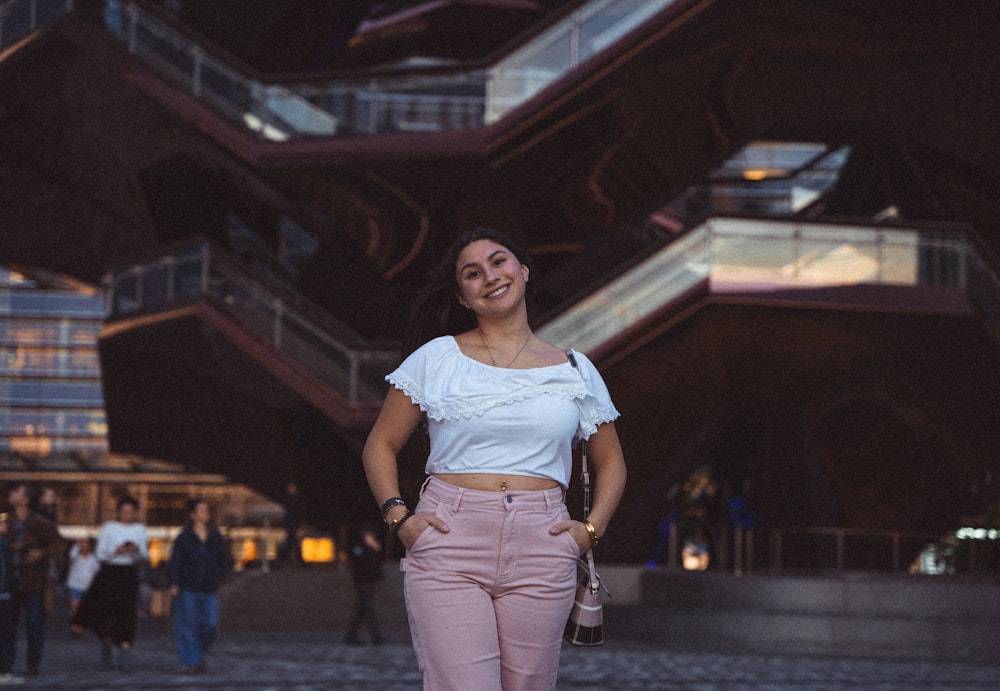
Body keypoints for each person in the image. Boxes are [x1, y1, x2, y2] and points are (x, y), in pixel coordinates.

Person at [362, 227, 627, 690]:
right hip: (450, 538)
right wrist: (399, 518)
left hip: (543, 542)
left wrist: (588, 532)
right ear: (463, 297)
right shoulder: (437, 358)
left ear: (522, 271)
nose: (490, 276)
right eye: (472, 273)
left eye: (499, 261)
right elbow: (379, 445)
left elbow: (612, 463)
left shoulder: (575, 369)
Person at [71, 495, 149, 672]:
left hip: (129, 574)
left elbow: (144, 557)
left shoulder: (140, 529)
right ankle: (105, 645)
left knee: (126, 614)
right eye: (124, 512)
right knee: (105, 612)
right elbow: (100, 554)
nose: (127, 515)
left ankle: (125, 653)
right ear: (118, 512)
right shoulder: (109, 528)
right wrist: (116, 550)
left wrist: (135, 551)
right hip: (110, 572)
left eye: (130, 512)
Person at [5, 482, 61, 679]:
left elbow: (58, 543)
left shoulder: (38, 521)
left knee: (34, 624)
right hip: (12, 580)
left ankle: (32, 665)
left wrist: (41, 553)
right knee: (7, 625)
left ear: (26, 500)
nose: (13, 495)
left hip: (34, 581)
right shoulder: (9, 521)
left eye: (18, 492)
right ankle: (6, 665)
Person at [168, 498, 229, 674]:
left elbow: (223, 559)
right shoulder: (184, 538)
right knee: (187, 626)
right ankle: (190, 662)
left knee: (210, 624)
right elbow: (175, 562)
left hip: (209, 587)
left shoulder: (215, 536)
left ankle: (198, 654)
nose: (205, 513)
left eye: (207, 510)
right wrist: (174, 582)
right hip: (188, 587)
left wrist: (219, 575)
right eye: (201, 510)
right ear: (192, 515)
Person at [344, 524, 384, 647]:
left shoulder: (372, 546)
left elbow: (377, 562)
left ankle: (351, 636)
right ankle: (375, 637)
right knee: (368, 609)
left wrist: (375, 549)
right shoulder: (359, 546)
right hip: (362, 581)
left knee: (361, 610)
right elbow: (358, 563)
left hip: (369, 581)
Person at [0, 512, 23, 685]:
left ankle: (5, 670)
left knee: (7, 634)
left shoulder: (6, 545)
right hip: (4, 593)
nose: (5, 526)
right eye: (2, 523)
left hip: (6, 595)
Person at [65, 538, 100, 620]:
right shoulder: (75, 555)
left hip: (87, 587)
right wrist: (76, 546)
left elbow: (97, 571)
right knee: (75, 605)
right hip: (74, 585)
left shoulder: (93, 558)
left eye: (85, 543)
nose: (83, 545)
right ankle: (74, 621)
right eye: (81, 543)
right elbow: (71, 557)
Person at [280, 481, 305, 563]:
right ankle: (297, 559)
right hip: (290, 523)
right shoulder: (289, 500)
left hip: (293, 523)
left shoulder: (296, 500)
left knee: (291, 542)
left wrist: (297, 521)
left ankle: (283, 559)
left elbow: (298, 511)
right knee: (292, 542)